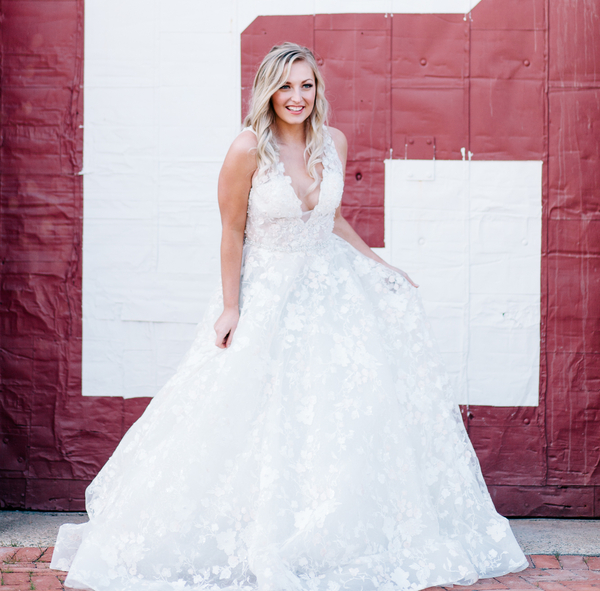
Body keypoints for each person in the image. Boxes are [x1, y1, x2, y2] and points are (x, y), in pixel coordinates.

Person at [53, 42, 528, 591]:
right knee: (246, 409)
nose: (296, 97)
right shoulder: (247, 148)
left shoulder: (335, 142)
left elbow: (331, 218)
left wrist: (376, 261)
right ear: (267, 91)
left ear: (317, 90)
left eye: (306, 85)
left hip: (330, 290)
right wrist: (232, 307)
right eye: (285, 86)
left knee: (335, 411)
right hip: (268, 290)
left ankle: (326, 529)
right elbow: (232, 231)